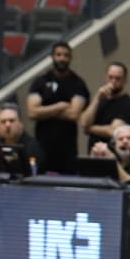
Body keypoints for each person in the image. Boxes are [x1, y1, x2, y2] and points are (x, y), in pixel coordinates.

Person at [25, 42, 89, 173]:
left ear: (70, 58)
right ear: (52, 57)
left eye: (66, 55)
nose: (62, 58)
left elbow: (74, 114)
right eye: (59, 55)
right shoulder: (40, 82)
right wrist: (60, 106)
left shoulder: (78, 83)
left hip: (67, 148)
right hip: (42, 146)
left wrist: (44, 110)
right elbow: (32, 113)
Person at [77, 61, 130, 152]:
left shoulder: (127, 103)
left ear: (125, 81)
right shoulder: (100, 99)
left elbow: (113, 131)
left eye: (118, 79)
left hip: (113, 155)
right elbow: (84, 123)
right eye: (110, 77)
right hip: (93, 152)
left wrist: (90, 129)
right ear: (105, 77)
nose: (113, 81)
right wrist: (97, 98)